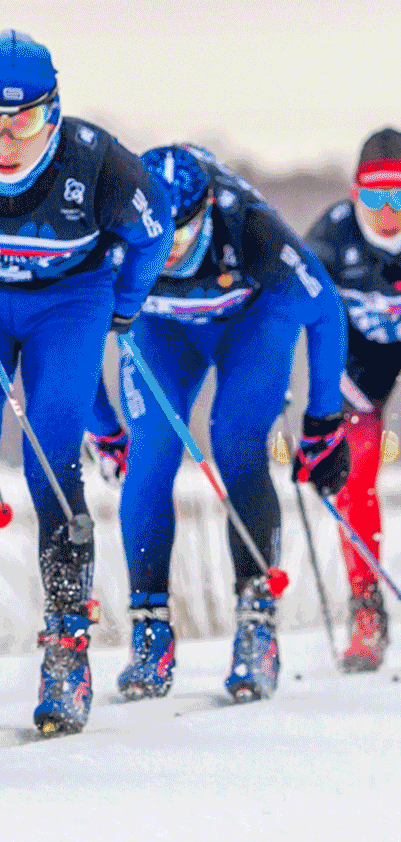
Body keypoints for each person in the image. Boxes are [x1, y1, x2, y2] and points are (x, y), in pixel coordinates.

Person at [0, 30, 172, 737]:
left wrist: (123, 306)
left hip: (69, 304)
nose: (4, 137)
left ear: (55, 113)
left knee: (50, 466)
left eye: (23, 119)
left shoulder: (99, 164)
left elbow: (154, 231)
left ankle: (66, 652)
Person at [90, 143, 350, 703]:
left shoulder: (248, 226)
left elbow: (325, 307)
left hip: (251, 323)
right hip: (162, 332)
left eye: (178, 236)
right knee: (151, 452)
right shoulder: (109, 232)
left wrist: (323, 419)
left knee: (236, 444)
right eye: (151, 237)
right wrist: (103, 425)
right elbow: (69, 333)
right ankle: (149, 630)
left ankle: (256, 624)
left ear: (206, 211)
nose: (163, 251)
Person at [304, 126, 401, 673]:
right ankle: (366, 606)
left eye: (400, 196)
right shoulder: (334, 235)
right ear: (354, 192)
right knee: (355, 475)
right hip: (360, 363)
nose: (388, 211)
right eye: (375, 195)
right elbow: (293, 297)